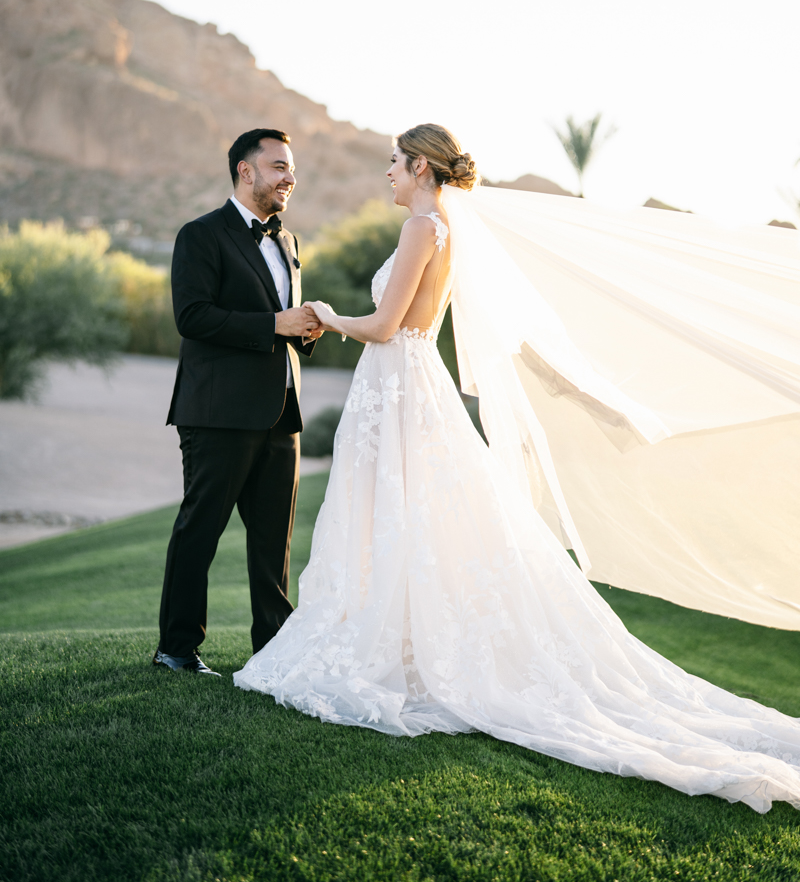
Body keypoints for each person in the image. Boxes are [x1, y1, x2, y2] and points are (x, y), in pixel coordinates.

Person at [234, 123, 800, 813]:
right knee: (409, 518)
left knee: (396, 514)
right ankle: (408, 639)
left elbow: (385, 327)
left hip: (400, 382)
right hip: (407, 387)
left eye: (393, 162)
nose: (386, 172)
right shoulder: (443, 225)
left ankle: (402, 646)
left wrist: (325, 312)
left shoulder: (422, 228)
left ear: (420, 167)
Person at [154, 129, 322, 676]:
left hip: (282, 414)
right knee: (200, 530)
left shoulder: (289, 242)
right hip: (218, 413)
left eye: (290, 168)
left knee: (274, 542)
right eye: (278, 167)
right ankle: (176, 650)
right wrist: (276, 323)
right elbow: (193, 317)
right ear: (245, 171)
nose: (288, 177)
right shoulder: (200, 235)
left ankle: (272, 652)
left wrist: (303, 330)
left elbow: (280, 324)